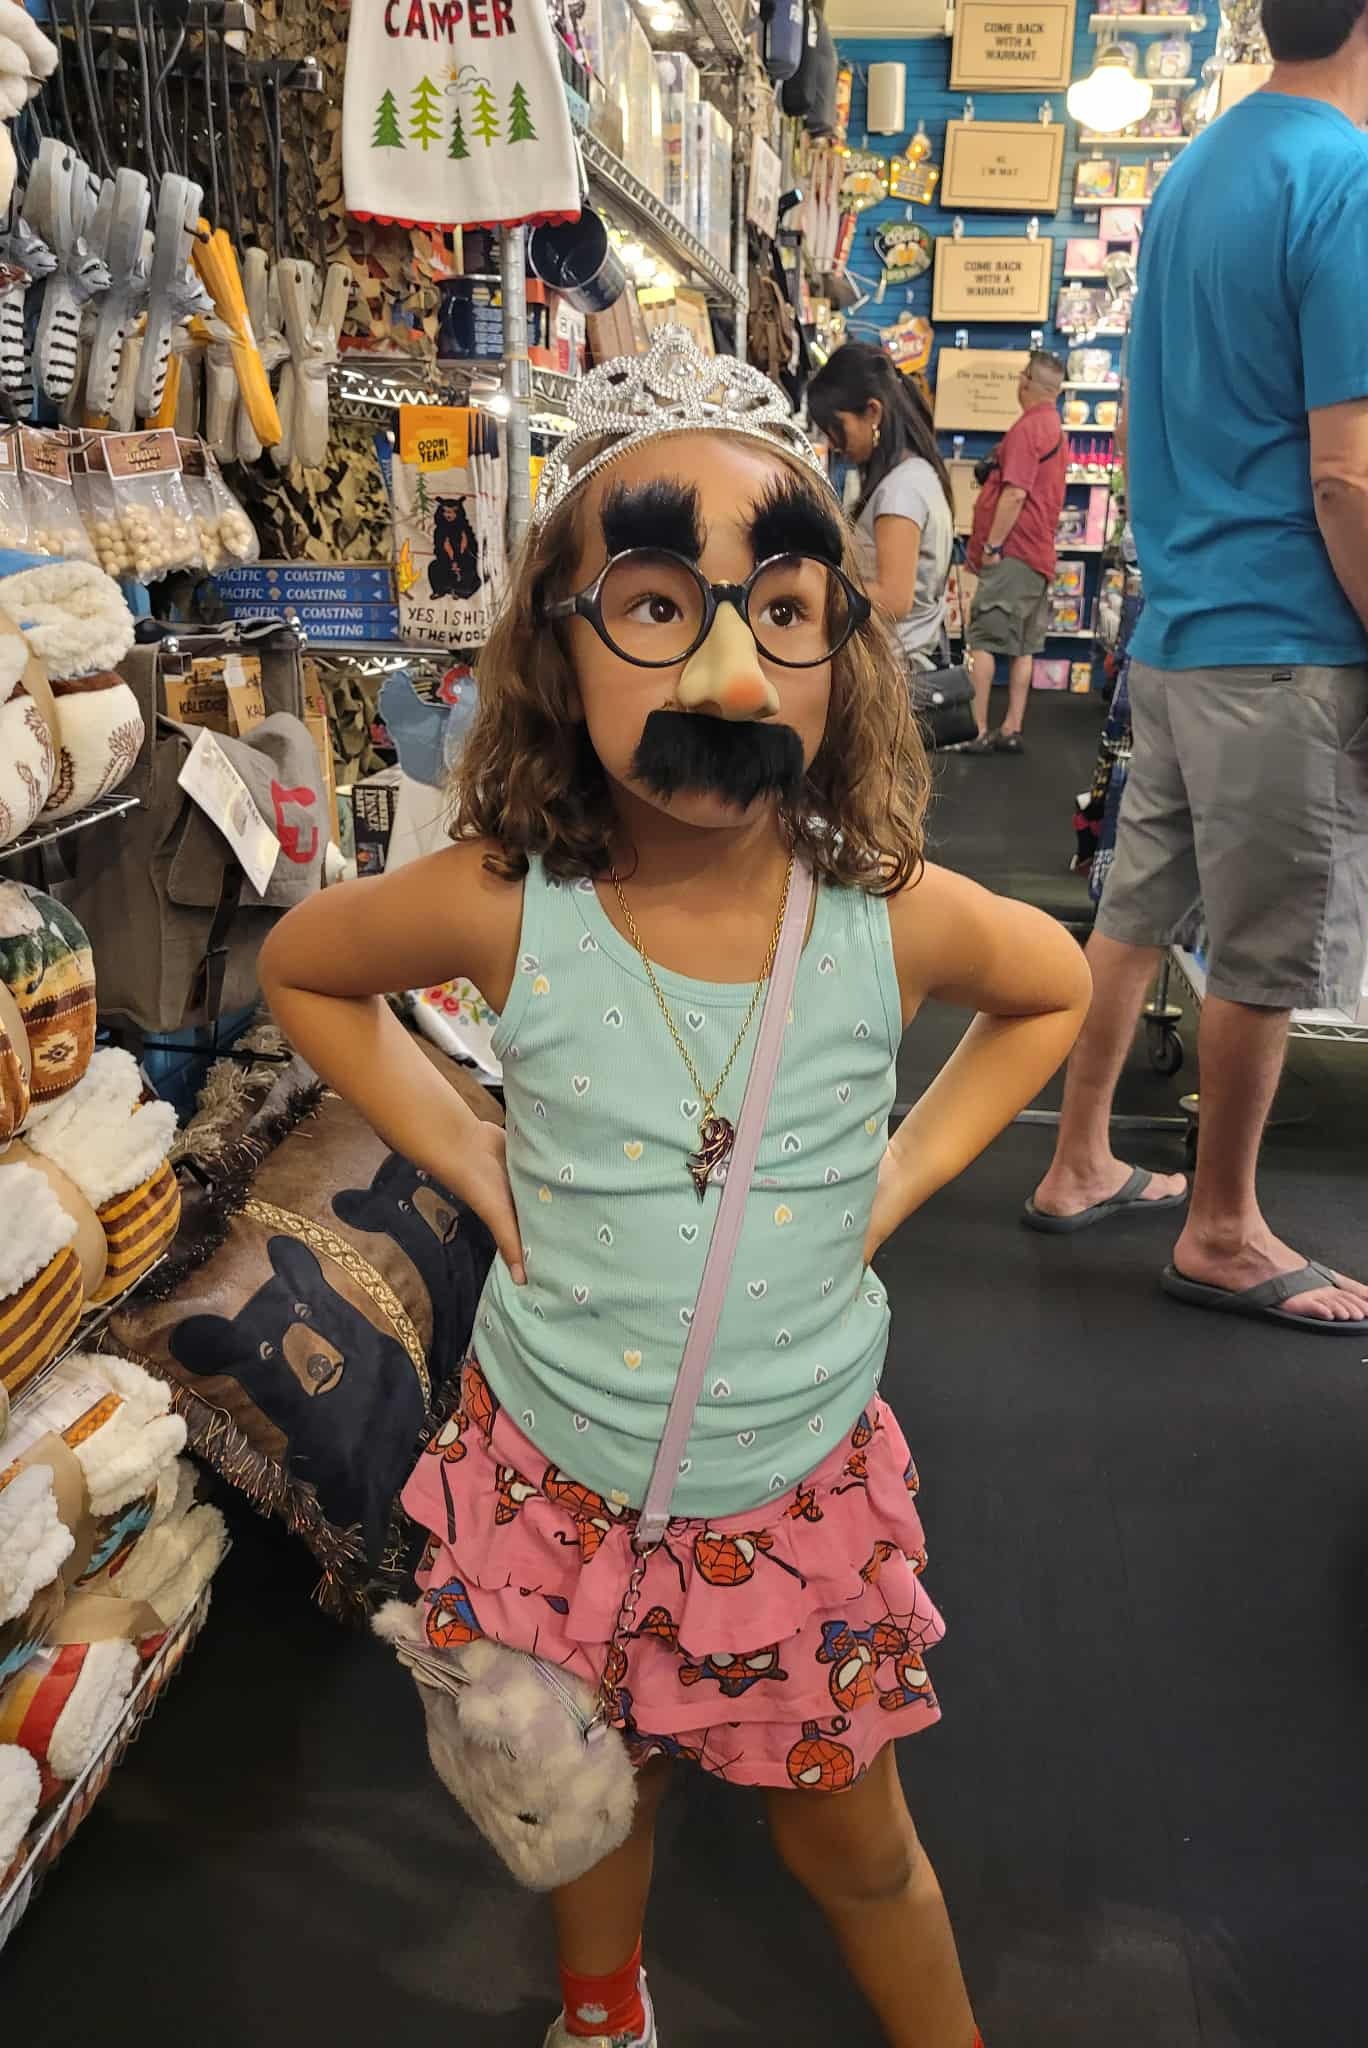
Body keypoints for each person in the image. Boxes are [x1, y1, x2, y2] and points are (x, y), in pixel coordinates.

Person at [261, 330, 1089, 2048]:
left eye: (783, 610)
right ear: (557, 651)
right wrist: (466, 1153)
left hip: (786, 1504)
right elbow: (307, 969)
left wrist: (894, 1179)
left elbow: (1055, 991)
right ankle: (600, 2009)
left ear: (838, 649)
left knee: (855, 1846)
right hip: (554, 1487)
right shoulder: (511, 902)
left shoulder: (885, 916)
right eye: (655, 604)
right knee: (582, 1791)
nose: (727, 665)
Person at [1026, 0, 1368, 1335]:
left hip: (1184, 627)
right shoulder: (1356, 176)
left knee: (1138, 909)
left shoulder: (1199, 168)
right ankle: (1223, 1226)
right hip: (1287, 638)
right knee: (1265, 948)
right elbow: (1353, 477)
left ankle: (1079, 1156)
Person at [807, 341, 956, 666]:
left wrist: (817, 593)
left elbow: (894, 597)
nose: (834, 443)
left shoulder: (901, 490)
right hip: (904, 658)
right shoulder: (917, 475)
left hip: (895, 664)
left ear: (873, 412)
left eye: (837, 428)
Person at [958, 349, 1067, 754]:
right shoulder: (1054, 428)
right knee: (1023, 644)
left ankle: (976, 729)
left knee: (983, 639)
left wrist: (992, 546)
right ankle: (1011, 727)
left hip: (1014, 553)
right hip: (1038, 554)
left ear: (1026, 382)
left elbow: (1015, 493)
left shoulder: (1027, 429)